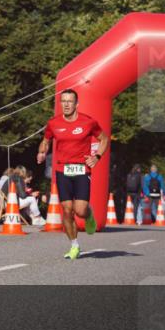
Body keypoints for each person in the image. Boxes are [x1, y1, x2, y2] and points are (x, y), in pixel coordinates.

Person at [37, 88, 109, 260]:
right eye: (64, 101)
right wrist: (41, 151)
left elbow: (104, 139)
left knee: (80, 210)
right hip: (62, 169)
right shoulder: (53, 123)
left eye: (70, 101)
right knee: (67, 210)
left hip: (82, 169)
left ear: (77, 104)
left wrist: (97, 156)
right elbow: (46, 140)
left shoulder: (88, 122)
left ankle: (88, 215)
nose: (66, 104)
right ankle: (74, 245)